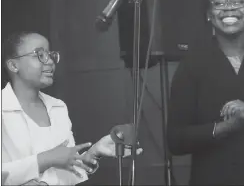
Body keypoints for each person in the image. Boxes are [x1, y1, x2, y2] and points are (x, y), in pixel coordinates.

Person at [167, 0, 244, 185]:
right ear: (209, 14)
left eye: (239, 1)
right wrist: (228, 126)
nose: (229, 8)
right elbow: (175, 141)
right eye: (219, 3)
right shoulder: (191, 66)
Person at [1, 32, 143, 185]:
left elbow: (67, 171)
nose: (50, 62)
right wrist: (45, 160)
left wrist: (92, 154)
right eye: (40, 55)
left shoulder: (58, 107)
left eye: (50, 55)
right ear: (13, 65)